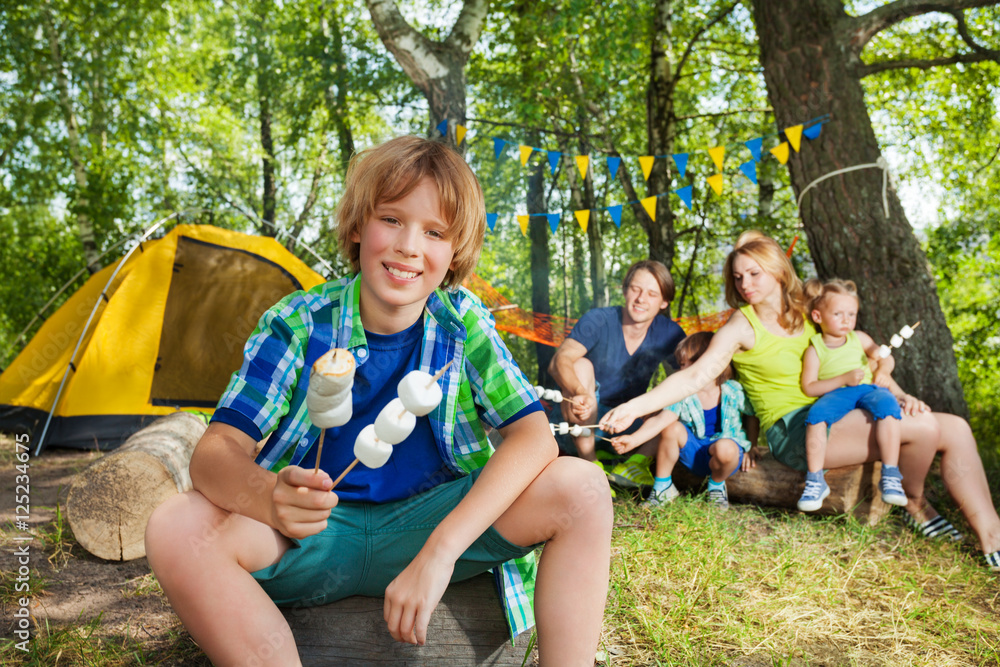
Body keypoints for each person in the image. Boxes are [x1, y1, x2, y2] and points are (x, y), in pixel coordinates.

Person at [144, 136, 613, 666]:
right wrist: (269, 496)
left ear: (454, 251)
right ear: (357, 227)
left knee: (584, 488)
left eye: (434, 232)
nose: (409, 246)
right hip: (308, 534)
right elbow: (215, 452)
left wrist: (439, 551)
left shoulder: (464, 323)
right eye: (391, 219)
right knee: (174, 524)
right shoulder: (298, 322)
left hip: (428, 526)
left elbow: (531, 438)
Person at [601, 230, 1000, 573]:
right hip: (795, 430)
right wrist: (637, 407)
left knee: (956, 427)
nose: (745, 283)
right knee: (926, 428)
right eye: (738, 276)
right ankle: (915, 503)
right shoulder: (742, 324)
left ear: (777, 271)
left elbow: (857, 360)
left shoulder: (813, 312)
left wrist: (898, 392)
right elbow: (695, 375)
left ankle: (992, 538)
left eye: (754, 273)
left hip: (844, 409)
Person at [547, 260, 686, 485]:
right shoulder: (599, 319)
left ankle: (634, 465)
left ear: (664, 302)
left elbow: (689, 380)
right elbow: (559, 361)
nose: (641, 299)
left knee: (679, 394)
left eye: (652, 293)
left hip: (629, 427)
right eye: (636, 289)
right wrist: (578, 391)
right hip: (579, 420)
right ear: (624, 290)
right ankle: (592, 466)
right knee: (581, 366)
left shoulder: (669, 333)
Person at [609, 332, 757, 511]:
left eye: (690, 364)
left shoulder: (734, 390)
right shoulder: (683, 394)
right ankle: (663, 487)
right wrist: (634, 439)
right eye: (681, 365)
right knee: (671, 427)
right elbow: (663, 419)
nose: (683, 370)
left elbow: (752, 414)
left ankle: (717, 485)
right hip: (694, 453)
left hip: (725, 453)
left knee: (725, 447)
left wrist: (751, 446)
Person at [798, 278, 906, 512]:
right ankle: (815, 480)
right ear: (817, 317)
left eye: (852, 314)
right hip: (837, 393)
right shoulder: (815, 349)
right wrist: (842, 380)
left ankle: (890, 475)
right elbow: (809, 387)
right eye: (838, 314)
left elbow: (885, 356)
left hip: (868, 389)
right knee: (816, 416)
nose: (847, 320)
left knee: (888, 407)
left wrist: (884, 369)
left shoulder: (861, 338)